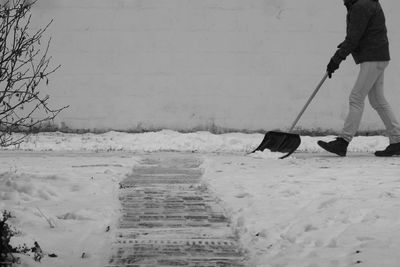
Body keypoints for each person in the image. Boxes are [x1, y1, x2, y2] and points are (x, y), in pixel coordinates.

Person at [318, 0, 400, 157]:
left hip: (373, 57)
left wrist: (336, 59)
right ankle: (397, 141)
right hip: (377, 56)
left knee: (356, 98)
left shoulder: (361, 6)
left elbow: (354, 38)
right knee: (377, 100)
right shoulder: (365, 3)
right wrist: (346, 45)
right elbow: (363, 32)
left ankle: (343, 142)